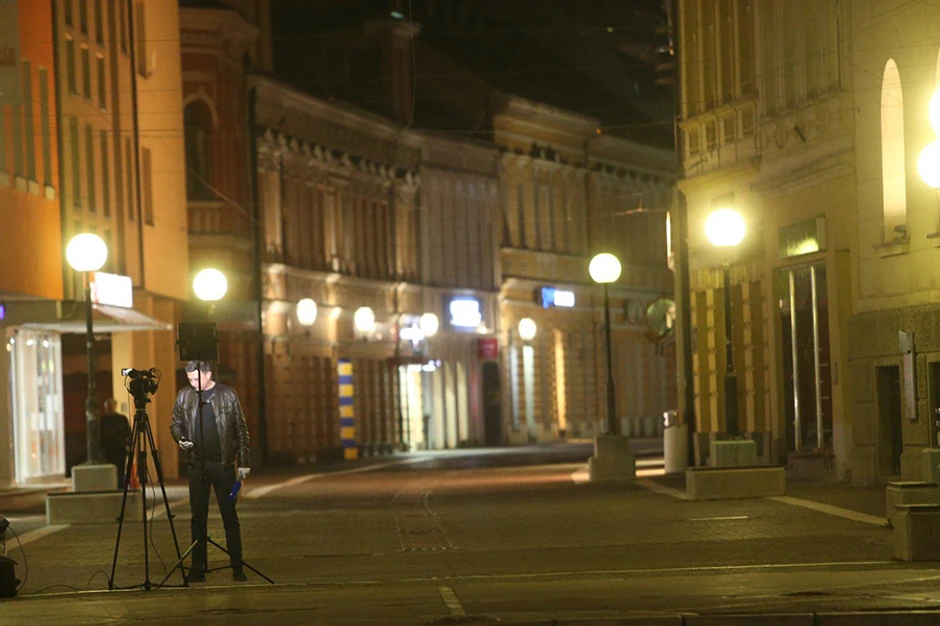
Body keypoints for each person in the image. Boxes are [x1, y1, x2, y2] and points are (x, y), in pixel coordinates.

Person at [170, 360, 251, 582]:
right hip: (196, 466)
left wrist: (243, 461)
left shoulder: (227, 395)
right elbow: (175, 424)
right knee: (197, 518)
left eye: (196, 379)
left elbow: (240, 429)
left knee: (229, 516)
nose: (193, 383)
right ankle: (198, 568)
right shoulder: (184, 396)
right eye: (189, 380)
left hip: (223, 466)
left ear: (208, 374)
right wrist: (180, 439)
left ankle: (237, 567)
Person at [100, 399, 132, 488]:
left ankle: (120, 485)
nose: (107, 409)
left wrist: (129, 445)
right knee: (113, 468)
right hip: (110, 448)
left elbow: (128, 433)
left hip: (119, 448)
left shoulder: (121, 419)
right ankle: (115, 485)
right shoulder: (104, 420)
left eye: (108, 407)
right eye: (106, 407)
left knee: (120, 468)